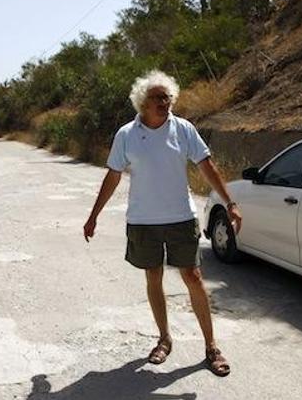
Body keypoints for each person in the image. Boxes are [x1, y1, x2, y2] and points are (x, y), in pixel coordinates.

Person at [83, 70, 242, 377]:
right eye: (157, 97)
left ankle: (211, 346)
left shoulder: (183, 129)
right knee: (153, 277)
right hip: (143, 221)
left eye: (167, 97)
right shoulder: (126, 134)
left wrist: (230, 202)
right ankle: (164, 338)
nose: (164, 102)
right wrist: (94, 216)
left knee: (193, 277)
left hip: (181, 217)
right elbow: (113, 175)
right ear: (142, 102)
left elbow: (206, 165)